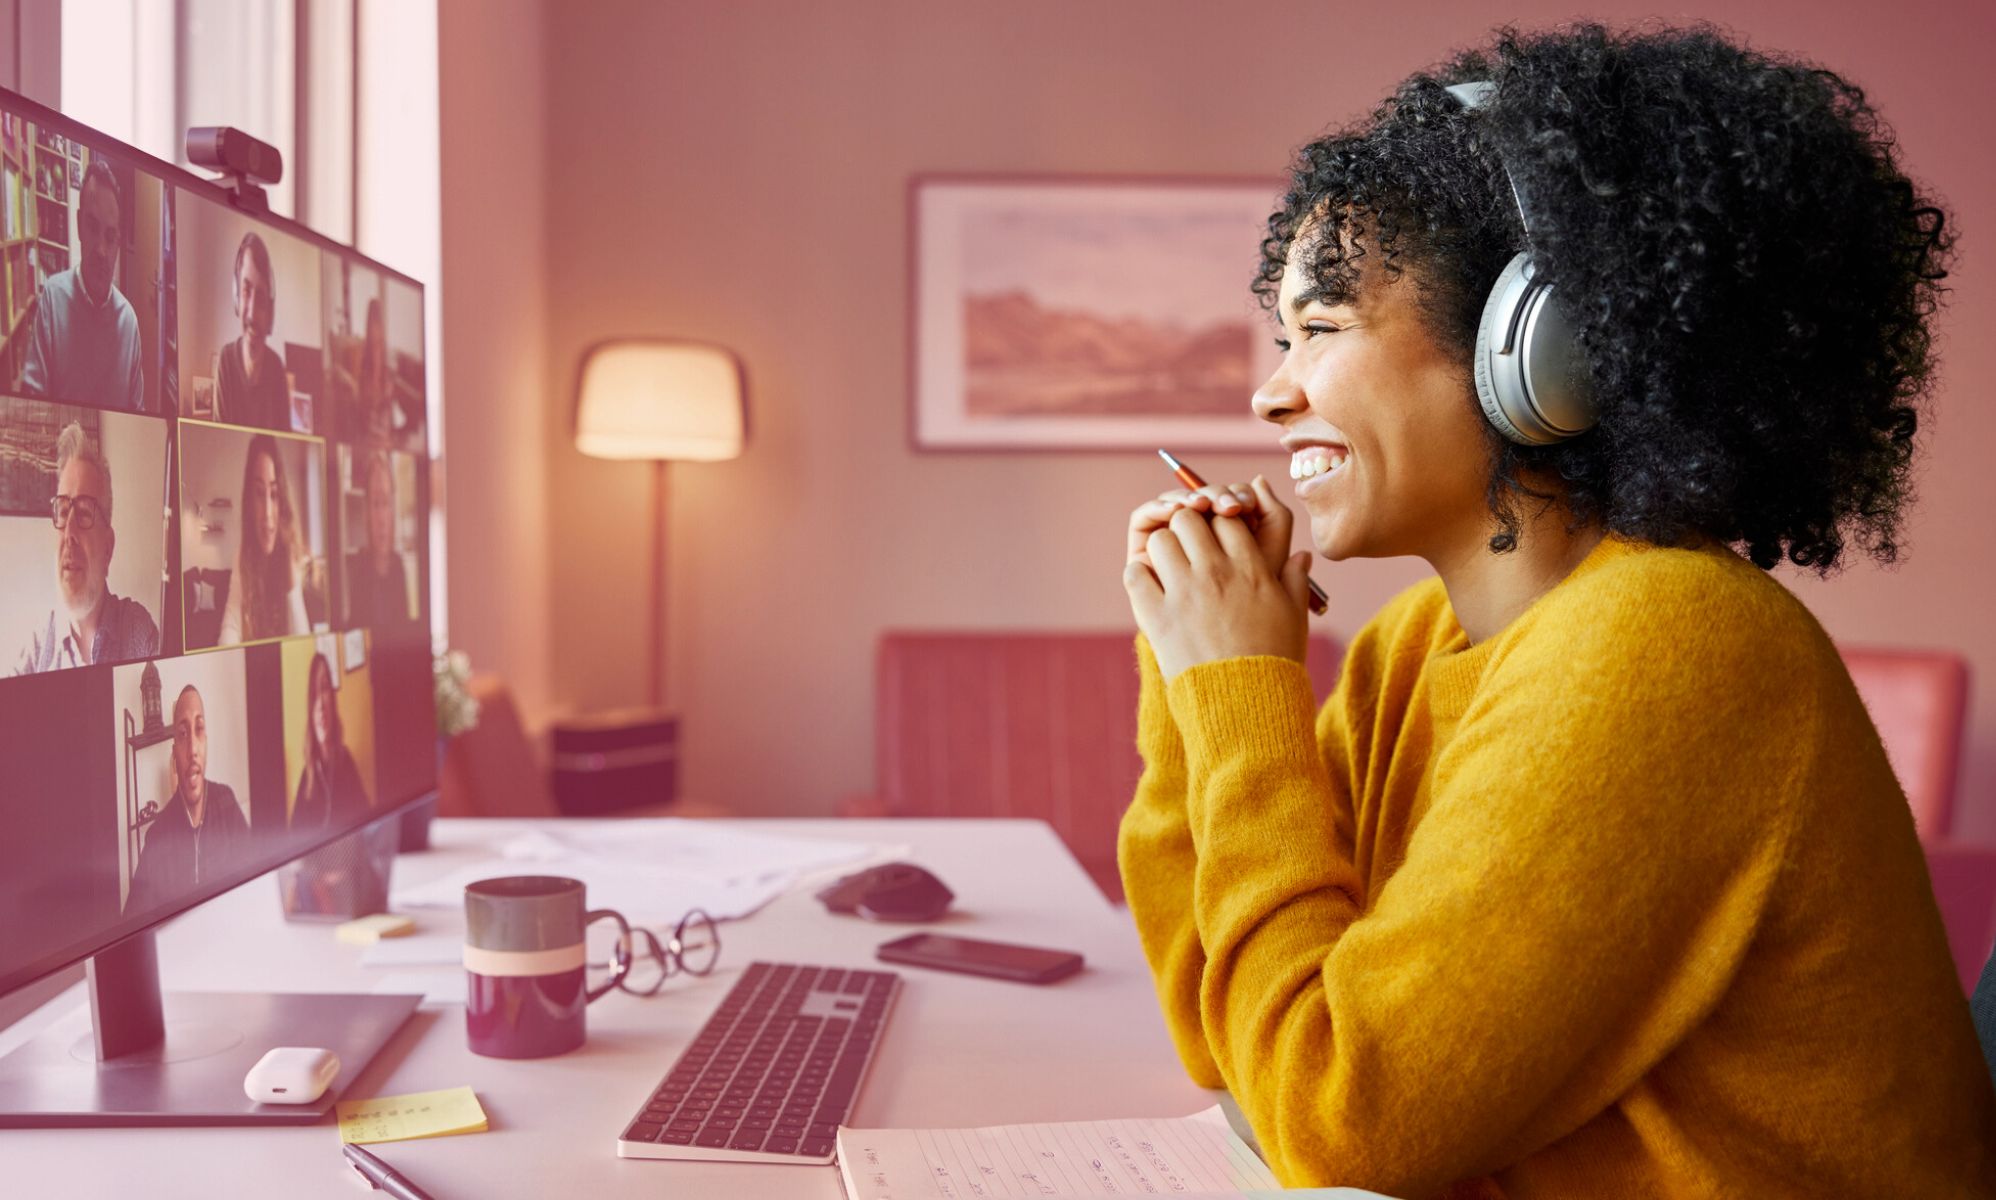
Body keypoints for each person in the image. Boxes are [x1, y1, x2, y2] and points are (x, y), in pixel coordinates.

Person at [1117, 24, 1996, 1197]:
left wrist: (1238, 690)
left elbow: (1339, 1115)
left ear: (1541, 350)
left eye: (1321, 330)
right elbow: (1232, 1040)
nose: (1273, 394)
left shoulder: (1669, 643)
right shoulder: (1409, 650)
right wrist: (1194, 685)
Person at [14, 421, 158, 673]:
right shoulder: (34, 648)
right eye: (62, 510)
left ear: (108, 547)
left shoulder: (138, 630)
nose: (69, 533)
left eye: (83, 512)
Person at [17, 157, 143, 411]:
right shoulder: (52, 298)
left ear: (119, 241)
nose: (101, 250)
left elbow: (138, 414)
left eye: (110, 236)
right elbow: (32, 400)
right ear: (78, 225)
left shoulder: (129, 322)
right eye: (92, 227)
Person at [127, 685, 249, 912]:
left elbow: (254, 888)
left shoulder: (227, 803)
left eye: (199, 729)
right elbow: (133, 921)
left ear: (206, 742)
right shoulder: (158, 836)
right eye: (183, 734)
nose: (192, 748)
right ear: (175, 754)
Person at [217, 433, 310, 644]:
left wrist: (292, 586)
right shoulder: (243, 555)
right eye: (259, 493)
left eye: (275, 495)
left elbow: (304, 645)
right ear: (249, 500)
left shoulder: (296, 559)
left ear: (283, 500)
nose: (267, 513)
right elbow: (231, 624)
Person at [214, 231, 290, 430]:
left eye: (262, 296)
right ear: (236, 296)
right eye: (246, 291)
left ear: (270, 308)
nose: (252, 314)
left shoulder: (276, 367)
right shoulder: (226, 360)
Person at [290, 652, 371, 830]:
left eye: (325, 688)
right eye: (314, 693)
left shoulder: (346, 761)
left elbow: (367, 822)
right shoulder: (307, 777)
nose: (320, 705)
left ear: (333, 700)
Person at [343, 450, 410, 626]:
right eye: (376, 504)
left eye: (386, 503)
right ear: (367, 510)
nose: (381, 518)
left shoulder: (399, 567)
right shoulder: (357, 568)